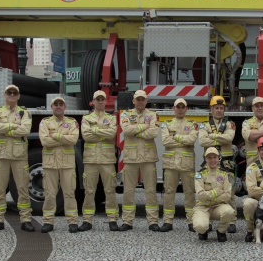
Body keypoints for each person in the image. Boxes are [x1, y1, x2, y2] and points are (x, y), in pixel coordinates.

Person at [0, 84, 33, 232]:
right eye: (9, 93)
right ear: (4, 95)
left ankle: (26, 220)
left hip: (19, 156)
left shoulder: (24, 113)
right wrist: (14, 126)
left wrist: (6, 128)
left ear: (18, 96)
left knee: (22, 189)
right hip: (1, 156)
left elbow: (25, 129)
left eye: (15, 93)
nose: (12, 95)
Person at [119, 89, 160, 231]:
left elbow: (154, 132)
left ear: (146, 101)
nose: (140, 101)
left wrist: (135, 130)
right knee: (128, 191)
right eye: (138, 99)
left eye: (143, 99)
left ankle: (153, 221)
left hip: (148, 158)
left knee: (150, 190)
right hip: (131, 158)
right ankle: (127, 221)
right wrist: (145, 127)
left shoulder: (153, 115)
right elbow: (126, 130)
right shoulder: (125, 114)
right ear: (133, 101)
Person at [39, 95, 79, 234]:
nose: (58, 106)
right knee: (50, 194)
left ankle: (72, 222)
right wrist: (64, 139)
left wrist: (55, 136)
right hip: (50, 164)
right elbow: (44, 142)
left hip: (67, 164)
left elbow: (73, 139)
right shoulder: (44, 123)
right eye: (55, 104)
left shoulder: (72, 122)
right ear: (51, 107)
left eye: (60, 104)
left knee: (69, 193)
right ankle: (48, 222)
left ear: (65, 107)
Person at [81, 90, 119, 232]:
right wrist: (103, 132)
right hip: (91, 160)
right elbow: (86, 136)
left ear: (105, 102)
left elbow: (112, 134)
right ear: (93, 101)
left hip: (107, 160)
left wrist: (95, 130)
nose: (100, 102)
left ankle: (112, 219)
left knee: (110, 190)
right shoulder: (86, 118)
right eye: (98, 99)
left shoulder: (111, 118)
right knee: (89, 190)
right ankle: (87, 220)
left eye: (102, 99)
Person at [198, 95, 237, 230]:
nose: (219, 110)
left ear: (224, 110)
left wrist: (212, 136)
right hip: (210, 163)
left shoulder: (230, 124)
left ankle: (231, 222)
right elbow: (202, 141)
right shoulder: (205, 125)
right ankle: (207, 221)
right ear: (211, 109)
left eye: (221, 108)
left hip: (226, 163)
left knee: (229, 192)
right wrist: (221, 138)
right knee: (209, 189)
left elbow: (229, 138)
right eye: (216, 108)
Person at [160, 98, 198, 232]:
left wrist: (175, 136)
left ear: (186, 109)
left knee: (189, 192)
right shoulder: (166, 123)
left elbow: (192, 139)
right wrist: (183, 140)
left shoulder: (192, 124)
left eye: (183, 107)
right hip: (170, 164)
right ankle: (167, 221)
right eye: (178, 107)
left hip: (187, 164)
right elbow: (165, 141)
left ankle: (191, 221)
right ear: (173, 108)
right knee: (169, 192)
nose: (180, 109)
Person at [193, 147, 236, 242]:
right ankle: (203, 231)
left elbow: (227, 195)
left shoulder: (224, 174)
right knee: (200, 226)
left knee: (229, 212)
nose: (212, 160)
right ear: (205, 159)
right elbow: (200, 195)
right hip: (203, 207)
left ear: (218, 158)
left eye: (214, 157)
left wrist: (210, 197)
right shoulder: (200, 174)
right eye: (209, 158)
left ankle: (221, 231)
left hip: (218, 206)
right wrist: (216, 192)